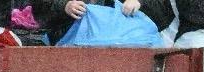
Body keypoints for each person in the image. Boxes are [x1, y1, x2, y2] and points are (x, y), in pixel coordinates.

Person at [34, 0, 173, 45]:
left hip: (126, 54)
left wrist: (140, 2)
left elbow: (164, 12)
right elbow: (39, 8)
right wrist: (64, 6)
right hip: (71, 50)